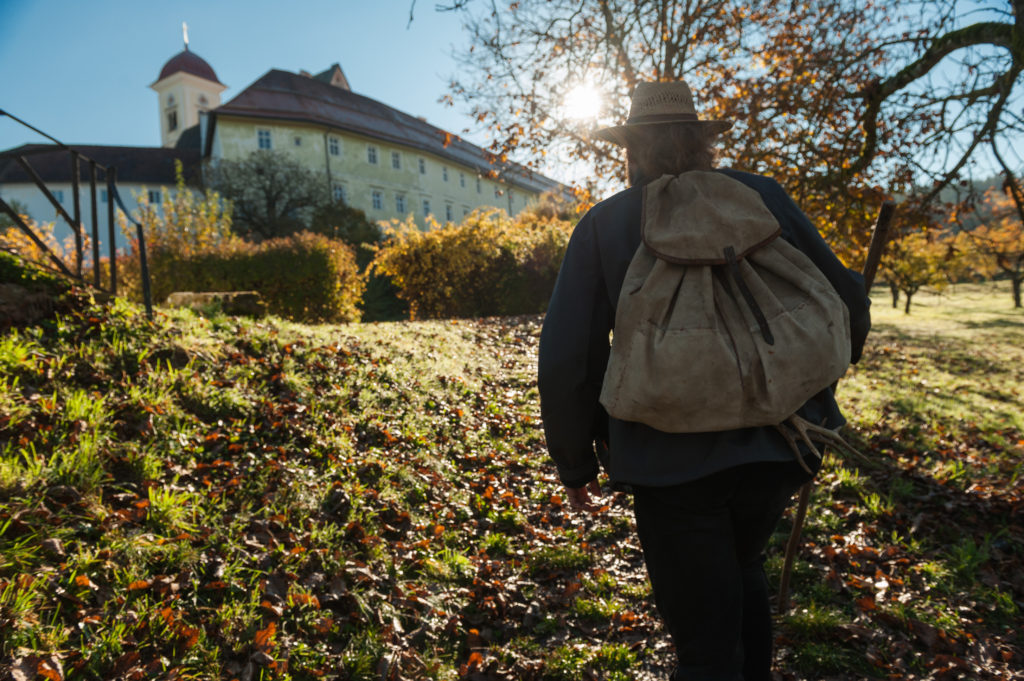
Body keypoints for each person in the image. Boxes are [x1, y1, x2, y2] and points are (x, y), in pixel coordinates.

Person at [537, 81, 871, 681]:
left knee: (703, 642)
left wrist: (576, 463)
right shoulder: (762, 196)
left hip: (668, 464)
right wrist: (826, 378)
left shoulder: (607, 223)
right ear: (700, 141)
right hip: (780, 446)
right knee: (743, 567)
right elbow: (846, 300)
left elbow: (568, 358)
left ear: (631, 148)